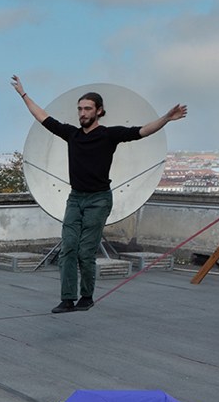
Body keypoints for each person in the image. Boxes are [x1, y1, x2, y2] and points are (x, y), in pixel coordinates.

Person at [11, 76, 187, 313]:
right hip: (76, 198)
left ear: (99, 111)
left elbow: (142, 131)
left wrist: (166, 118)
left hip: (98, 199)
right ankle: (67, 298)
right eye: (80, 109)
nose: (82, 113)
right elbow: (43, 118)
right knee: (68, 249)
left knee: (85, 250)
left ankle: (86, 296)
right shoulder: (72, 135)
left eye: (87, 109)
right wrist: (24, 94)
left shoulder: (108, 135)